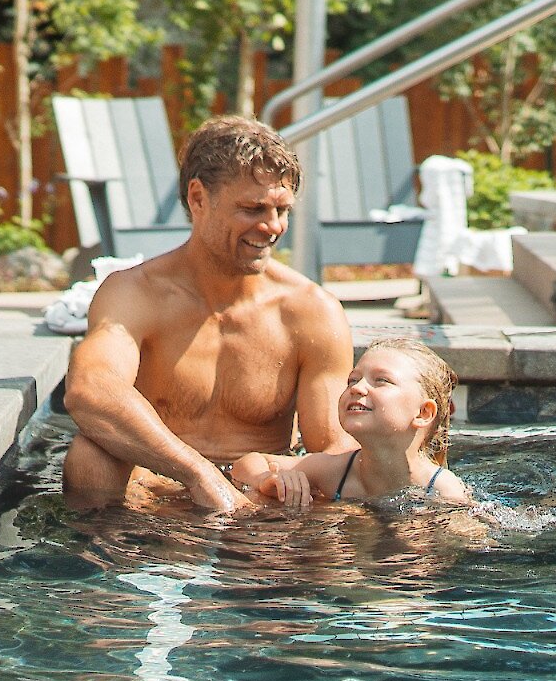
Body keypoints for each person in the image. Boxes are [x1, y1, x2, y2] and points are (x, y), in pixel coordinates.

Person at [60, 116, 356, 513]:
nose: (273, 226)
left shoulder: (310, 311)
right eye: (253, 208)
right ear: (198, 198)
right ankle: (108, 555)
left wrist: (269, 481)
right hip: (155, 499)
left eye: (282, 210)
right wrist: (199, 474)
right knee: (89, 456)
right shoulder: (136, 294)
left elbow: (336, 448)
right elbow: (89, 390)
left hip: (259, 504)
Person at [233, 338, 472, 508]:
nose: (357, 388)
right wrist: (265, 479)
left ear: (423, 413)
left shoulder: (442, 489)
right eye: (353, 379)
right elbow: (246, 464)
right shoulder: (333, 472)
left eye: (381, 380)